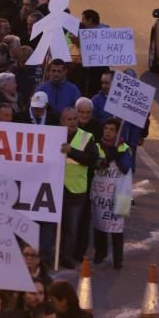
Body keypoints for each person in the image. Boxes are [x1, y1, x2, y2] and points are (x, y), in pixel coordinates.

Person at [57, 107, 99, 269]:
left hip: (75, 189)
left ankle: (66, 256)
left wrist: (71, 152)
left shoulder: (86, 137)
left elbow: (92, 159)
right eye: (69, 119)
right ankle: (49, 256)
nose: (73, 122)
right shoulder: (53, 135)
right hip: (55, 187)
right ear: (62, 121)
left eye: (75, 119)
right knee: (52, 225)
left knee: (71, 227)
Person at [92, 118, 132, 269]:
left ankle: (118, 258)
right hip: (101, 194)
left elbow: (125, 168)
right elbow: (96, 163)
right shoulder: (97, 146)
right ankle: (99, 254)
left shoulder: (124, 148)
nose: (108, 132)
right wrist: (107, 158)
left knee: (116, 228)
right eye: (106, 129)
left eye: (111, 129)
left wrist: (117, 155)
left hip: (119, 194)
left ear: (117, 132)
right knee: (99, 225)